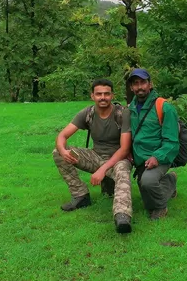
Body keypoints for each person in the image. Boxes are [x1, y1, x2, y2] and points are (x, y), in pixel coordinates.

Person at [53, 79, 134, 234]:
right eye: (99, 94)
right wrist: (64, 152)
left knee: (123, 171)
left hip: (117, 159)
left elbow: (124, 149)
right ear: (92, 96)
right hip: (95, 156)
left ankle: (122, 215)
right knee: (58, 152)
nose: (102, 97)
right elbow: (62, 135)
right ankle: (80, 196)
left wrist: (102, 170)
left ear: (112, 95)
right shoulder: (88, 113)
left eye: (106, 94)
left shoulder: (122, 114)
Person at [127, 68, 179, 220]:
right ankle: (170, 181)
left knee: (148, 184)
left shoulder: (164, 107)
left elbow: (172, 142)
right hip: (140, 159)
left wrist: (157, 157)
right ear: (131, 87)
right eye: (135, 83)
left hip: (160, 157)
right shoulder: (130, 108)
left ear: (150, 84)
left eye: (143, 82)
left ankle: (160, 207)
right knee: (145, 193)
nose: (139, 87)